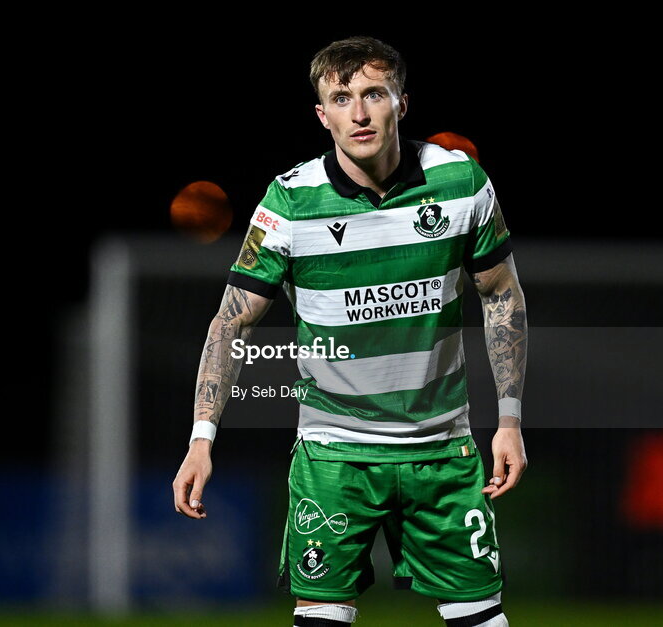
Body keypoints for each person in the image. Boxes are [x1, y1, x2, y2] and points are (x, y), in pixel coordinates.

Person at [173, 36, 527, 627]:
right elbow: (230, 318)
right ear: (322, 114)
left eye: (373, 94)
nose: (359, 113)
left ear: (401, 103)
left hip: (440, 452)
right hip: (334, 456)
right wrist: (201, 436)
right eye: (341, 98)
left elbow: (501, 295)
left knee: (481, 618)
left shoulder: (461, 182)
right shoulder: (288, 202)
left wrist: (509, 420)